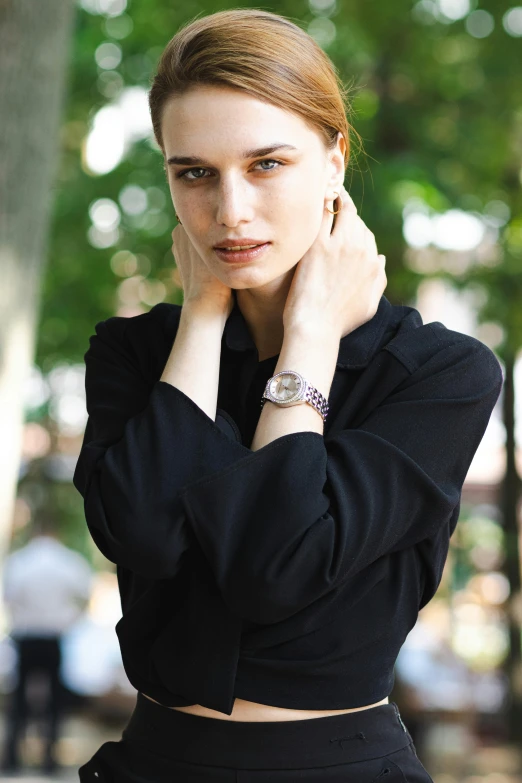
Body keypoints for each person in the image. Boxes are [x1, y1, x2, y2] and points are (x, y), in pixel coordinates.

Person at [72, 8, 503, 782]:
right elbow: (139, 531)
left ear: (335, 159)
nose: (229, 212)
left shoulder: (440, 375)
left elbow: (275, 564)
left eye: (267, 163)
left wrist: (310, 335)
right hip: (154, 762)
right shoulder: (134, 352)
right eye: (194, 172)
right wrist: (203, 314)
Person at [1, 513, 93, 774]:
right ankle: (49, 762)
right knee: (55, 700)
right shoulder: (69, 561)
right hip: (53, 638)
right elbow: (85, 596)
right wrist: (70, 621)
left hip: (27, 636)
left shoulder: (20, 561)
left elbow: (9, 598)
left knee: (19, 701)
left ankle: (11, 759)